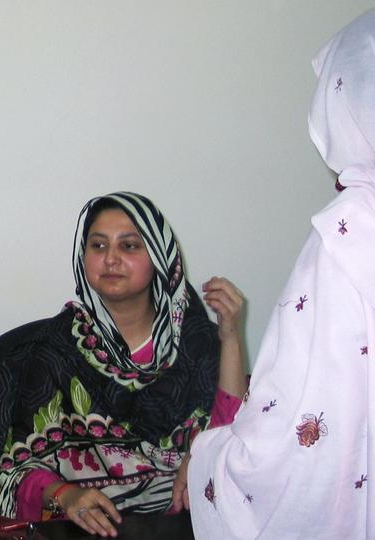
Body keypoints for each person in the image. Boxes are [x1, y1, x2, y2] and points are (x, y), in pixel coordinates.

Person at [187, 10, 375, 539]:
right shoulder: (54, 347)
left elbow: (301, 435)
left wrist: (208, 459)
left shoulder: (348, 236)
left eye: (131, 244)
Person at [0, 192, 247, 537]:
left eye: (130, 246)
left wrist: (231, 337)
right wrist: (65, 494)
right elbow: (19, 466)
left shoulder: (198, 342)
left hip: (183, 522)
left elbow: (234, 432)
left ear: (160, 257)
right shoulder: (55, 348)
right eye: (99, 246)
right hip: (85, 528)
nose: (112, 259)